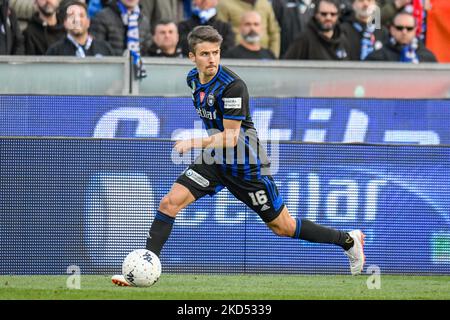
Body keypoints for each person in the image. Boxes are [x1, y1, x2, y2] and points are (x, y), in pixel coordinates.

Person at [111, 25, 366, 286]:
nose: (212, 59)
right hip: (216, 161)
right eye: (205, 54)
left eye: (216, 53)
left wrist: (194, 142)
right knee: (169, 203)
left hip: (247, 166)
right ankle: (143, 268)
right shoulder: (192, 79)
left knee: (283, 227)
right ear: (192, 57)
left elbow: (232, 137)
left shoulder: (233, 86)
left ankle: (347, 240)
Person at [283, 0, 350, 60]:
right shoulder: (304, 39)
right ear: (316, 14)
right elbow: (287, 66)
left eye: (333, 14)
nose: (328, 18)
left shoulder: (343, 39)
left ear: (338, 15)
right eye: (324, 14)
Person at [46, 1, 113, 56]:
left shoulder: (105, 48)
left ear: (88, 22)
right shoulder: (55, 51)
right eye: (71, 16)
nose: (77, 20)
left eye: (81, 15)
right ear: (65, 23)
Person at [216, 0, 281, 58]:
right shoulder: (225, 4)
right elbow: (221, 30)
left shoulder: (265, 3)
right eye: (248, 24)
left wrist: (273, 56)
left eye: (256, 24)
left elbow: (274, 31)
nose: (252, 28)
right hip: (236, 56)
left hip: (264, 56)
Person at [365, 11, 437, 63]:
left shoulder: (427, 57)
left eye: (409, 28)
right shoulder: (377, 57)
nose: (404, 32)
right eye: (399, 28)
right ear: (392, 30)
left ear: (415, 30)